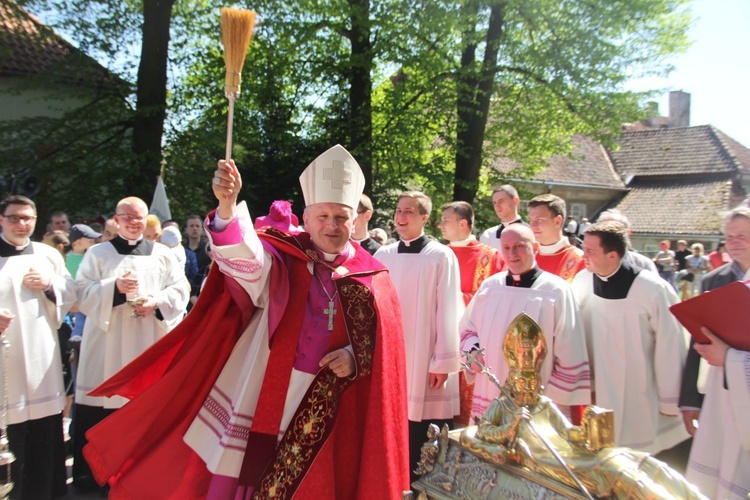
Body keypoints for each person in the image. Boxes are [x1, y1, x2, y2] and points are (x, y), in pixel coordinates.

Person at [83, 145, 410, 499]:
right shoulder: (285, 258)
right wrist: (227, 206)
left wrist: (355, 356)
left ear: (356, 219)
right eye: (323, 216)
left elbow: (385, 346)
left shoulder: (372, 274)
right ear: (307, 216)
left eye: (341, 217)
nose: (332, 226)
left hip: (335, 403)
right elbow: (249, 261)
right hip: (271, 387)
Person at [459, 312, 705, 500]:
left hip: (571, 452)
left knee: (633, 458)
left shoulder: (543, 405)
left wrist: (587, 429)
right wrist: (511, 427)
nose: (528, 386)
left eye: (532, 380)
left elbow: (568, 433)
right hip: (548, 460)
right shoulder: (503, 405)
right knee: (616, 471)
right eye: (523, 381)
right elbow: (480, 432)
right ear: (512, 381)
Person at [72, 196, 190, 492]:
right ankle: (94, 479)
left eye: (139, 217)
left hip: (147, 340)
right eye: (127, 216)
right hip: (108, 343)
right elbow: (81, 293)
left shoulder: (163, 254)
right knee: (103, 407)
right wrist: (113, 288)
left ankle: (141, 476)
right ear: (116, 219)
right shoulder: (98, 253)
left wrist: (156, 301)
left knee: (145, 408)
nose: (133, 222)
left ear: (146, 219)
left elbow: (181, 288)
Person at [572, 220, 689, 454]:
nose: (583, 255)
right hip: (598, 387)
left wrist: (670, 399)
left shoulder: (652, 289)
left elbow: (671, 344)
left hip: (640, 388)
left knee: (640, 455)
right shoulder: (582, 281)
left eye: (590, 251)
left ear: (613, 255)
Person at [460, 224, 590, 423]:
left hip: (537, 400)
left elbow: (570, 348)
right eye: (506, 247)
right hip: (490, 393)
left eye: (519, 246)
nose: (512, 254)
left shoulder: (556, 291)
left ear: (535, 248)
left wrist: (552, 401)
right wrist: (473, 351)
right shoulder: (490, 287)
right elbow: (467, 329)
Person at [375, 190, 463, 482]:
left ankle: (424, 484)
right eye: (398, 211)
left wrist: (443, 362)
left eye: (409, 212)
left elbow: (449, 308)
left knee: (424, 428)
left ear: (425, 218)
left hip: (425, 357)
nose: (401, 217)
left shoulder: (440, 256)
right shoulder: (383, 254)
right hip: (391, 354)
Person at [0, 195, 76, 500]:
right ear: (1, 220)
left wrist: (49, 284)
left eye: (27, 218)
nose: (21, 224)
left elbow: (72, 292)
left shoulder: (48, 255)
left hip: (42, 359)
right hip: (7, 364)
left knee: (45, 432)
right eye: (14, 217)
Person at [679, 206, 750, 499]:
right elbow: (700, 341)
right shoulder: (714, 280)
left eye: (743, 235)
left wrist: (731, 359)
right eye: (729, 236)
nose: (734, 242)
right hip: (721, 395)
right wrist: (690, 401)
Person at [438, 201, 504, 426]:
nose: (440, 226)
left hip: (474, 342)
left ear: (463, 223)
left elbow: (497, 300)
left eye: (446, 220)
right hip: (442, 339)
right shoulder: (438, 254)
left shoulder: (491, 257)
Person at [527, 194, 585, 283]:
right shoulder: (528, 258)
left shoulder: (580, 260)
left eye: (539, 220)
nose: (533, 226)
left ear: (557, 221)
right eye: (530, 220)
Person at [597, 209, 658, 273]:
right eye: (603, 230)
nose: (608, 235)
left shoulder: (643, 265)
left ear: (627, 233)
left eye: (614, 230)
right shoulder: (588, 264)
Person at [479, 184, 525, 252]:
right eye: (494, 203)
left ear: (515, 201)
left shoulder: (532, 233)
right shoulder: (488, 236)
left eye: (501, 201)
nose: (497, 206)